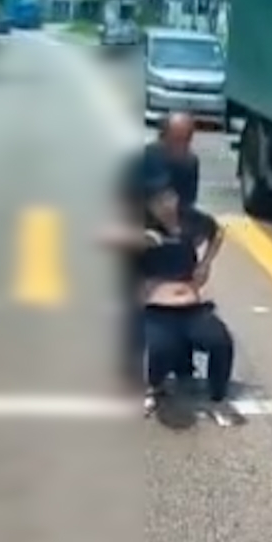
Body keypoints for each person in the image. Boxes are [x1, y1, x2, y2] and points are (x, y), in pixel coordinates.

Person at [103, 177, 241, 426]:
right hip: (156, 309)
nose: (166, 205)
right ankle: (150, 387)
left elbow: (218, 232)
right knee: (161, 348)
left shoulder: (191, 219)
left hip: (192, 308)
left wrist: (205, 263)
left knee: (220, 341)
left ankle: (218, 396)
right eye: (158, 202)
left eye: (169, 198)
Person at [116, 113, 210, 389]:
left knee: (181, 297)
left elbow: (186, 205)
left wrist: (190, 245)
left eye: (188, 140)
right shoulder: (144, 161)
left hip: (168, 236)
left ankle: (182, 363)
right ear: (163, 137)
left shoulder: (191, 163)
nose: (184, 147)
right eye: (178, 140)